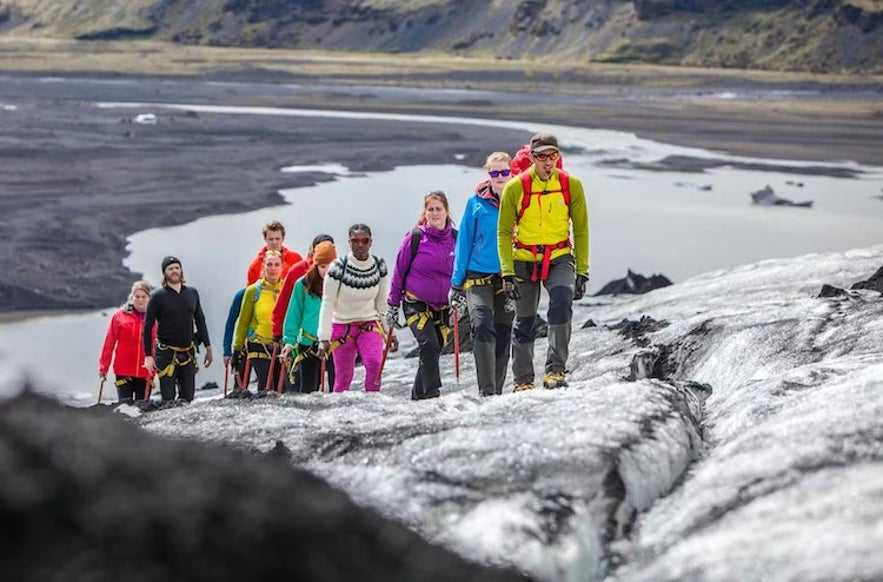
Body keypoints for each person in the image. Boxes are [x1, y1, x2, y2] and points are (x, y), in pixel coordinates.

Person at [497, 133, 589, 391]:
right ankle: (523, 380)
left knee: (561, 302)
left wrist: (582, 270)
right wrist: (507, 274)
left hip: (559, 256)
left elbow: (581, 230)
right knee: (525, 320)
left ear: (558, 157)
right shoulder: (516, 187)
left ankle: (556, 371)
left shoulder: (572, 185)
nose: (548, 162)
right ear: (532, 158)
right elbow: (503, 233)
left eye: (553, 156)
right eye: (541, 156)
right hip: (523, 260)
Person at [450, 153, 515, 397]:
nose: (499, 177)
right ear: (488, 174)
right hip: (477, 277)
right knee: (481, 325)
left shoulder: (519, 199)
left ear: (511, 172)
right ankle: (486, 391)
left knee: (504, 332)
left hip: (508, 277)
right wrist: (456, 283)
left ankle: (497, 390)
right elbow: (464, 242)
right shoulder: (475, 203)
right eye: (494, 173)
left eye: (504, 172)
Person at [387, 192, 457, 400]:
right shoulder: (416, 238)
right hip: (415, 304)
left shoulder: (456, 238)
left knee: (433, 351)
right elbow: (399, 271)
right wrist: (392, 305)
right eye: (430, 209)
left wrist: (461, 292)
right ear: (425, 212)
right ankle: (432, 392)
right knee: (429, 344)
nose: (434, 213)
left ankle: (418, 397)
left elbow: (461, 269)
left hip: (443, 307)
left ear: (446, 211)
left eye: (438, 209)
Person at [317, 224, 392, 393]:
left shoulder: (379, 265)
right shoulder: (337, 268)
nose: (360, 244)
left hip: (369, 324)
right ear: (349, 243)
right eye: (355, 241)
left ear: (370, 242)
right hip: (342, 328)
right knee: (343, 378)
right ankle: (339, 414)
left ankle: (373, 405)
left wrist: (389, 331)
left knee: (375, 365)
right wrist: (323, 338)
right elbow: (327, 303)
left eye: (364, 240)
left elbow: (381, 302)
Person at [143, 256, 213, 402]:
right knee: (168, 398)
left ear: (181, 270)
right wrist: (148, 356)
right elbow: (147, 327)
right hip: (165, 353)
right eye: (170, 269)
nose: (174, 271)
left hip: (188, 351)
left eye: (177, 267)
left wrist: (208, 347)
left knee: (188, 396)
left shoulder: (192, 293)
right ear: (165, 273)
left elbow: (200, 320)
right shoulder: (157, 297)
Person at [281, 241, 337, 393]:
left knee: (337, 388)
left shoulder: (341, 283)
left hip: (336, 342)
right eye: (322, 266)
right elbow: (294, 314)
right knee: (308, 389)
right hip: (308, 343)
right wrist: (289, 341)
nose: (326, 271)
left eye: (330, 266)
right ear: (315, 265)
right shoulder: (303, 284)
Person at [233, 250, 286, 393]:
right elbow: (243, 321)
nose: (273, 268)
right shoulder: (252, 291)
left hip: (281, 346)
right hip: (258, 343)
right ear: (263, 267)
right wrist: (237, 350)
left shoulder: (288, 290)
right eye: (269, 264)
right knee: (266, 386)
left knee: (284, 388)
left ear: (282, 267)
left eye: (276, 264)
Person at [271, 233, 335, 344]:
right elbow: (284, 303)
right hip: (306, 340)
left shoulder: (341, 278)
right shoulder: (298, 272)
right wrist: (279, 334)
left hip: (333, 342)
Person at [99, 280, 156, 402]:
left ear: (149, 298)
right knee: (124, 409)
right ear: (132, 297)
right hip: (123, 371)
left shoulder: (155, 319)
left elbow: (158, 345)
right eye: (137, 297)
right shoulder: (119, 317)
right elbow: (109, 342)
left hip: (146, 372)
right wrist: (103, 368)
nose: (140, 300)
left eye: (143, 297)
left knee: (143, 410)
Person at [245, 220, 303, 285]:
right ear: (265, 239)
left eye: (277, 239)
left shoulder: (296, 259)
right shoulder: (255, 266)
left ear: (283, 239)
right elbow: (250, 291)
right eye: (271, 239)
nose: (274, 242)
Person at [222, 287, 248, 387]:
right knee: (239, 384)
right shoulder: (241, 295)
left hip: (264, 343)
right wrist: (227, 350)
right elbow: (231, 322)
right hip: (242, 345)